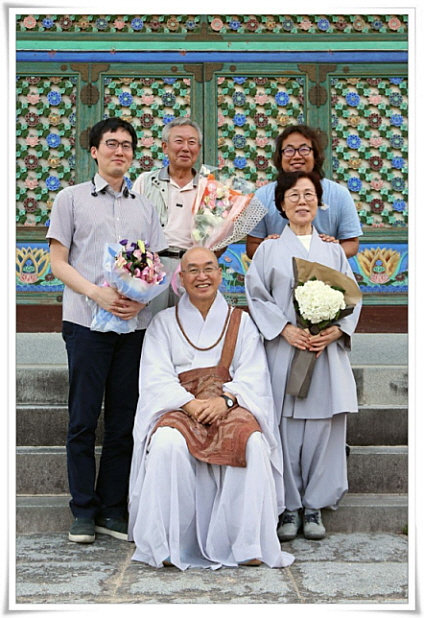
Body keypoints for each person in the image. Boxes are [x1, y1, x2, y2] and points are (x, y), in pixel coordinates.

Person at [128, 247, 294, 570]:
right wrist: (188, 403)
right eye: (193, 270)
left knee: (253, 442)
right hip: (180, 404)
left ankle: (247, 543)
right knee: (165, 443)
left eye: (209, 269)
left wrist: (226, 401)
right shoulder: (163, 323)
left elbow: (253, 374)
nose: (201, 276)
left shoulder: (241, 322)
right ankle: (169, 542)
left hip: (229, 402)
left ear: (220, 274)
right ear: (181, 278)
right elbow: (155, 377)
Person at [47, 118, 167, 544]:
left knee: (123, 420)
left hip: (133, 328)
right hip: (85, 324)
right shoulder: (71, 199)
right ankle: (82, 510)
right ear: (94, 151)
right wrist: (95, 294)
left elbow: (156, 266)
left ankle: (111, 509)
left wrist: (143, 298)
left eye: (128, 145)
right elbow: (58, 261)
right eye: (111, 144)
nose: (120, 151)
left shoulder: (145, 208)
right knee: (82, 419)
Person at [245, 170, 361, 542]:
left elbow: (352, 296)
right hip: (285, 349)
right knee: (284, 429)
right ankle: (289, 507)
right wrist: (284, 329)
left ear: (319, 202)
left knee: (324, 429)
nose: (302, 201)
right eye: (293, 195)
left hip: (323, 352)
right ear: (281, 205)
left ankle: (316, 506)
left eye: (309, 194)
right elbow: (258, 295)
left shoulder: (331, 249)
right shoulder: (268, 248)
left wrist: (336, 331)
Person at [246, 124, 362, 259]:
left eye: (304, 149)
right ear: (280, 157)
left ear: (315, 155)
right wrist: (267, 248)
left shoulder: (339, 194)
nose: (296, 156)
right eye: (289, 150)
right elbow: (252, 246)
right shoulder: (262, 196)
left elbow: (351, 243)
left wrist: (330, 252)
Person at [132, 117, 203, 312]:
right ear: (165, 147)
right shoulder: (146, 182)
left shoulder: (210, 189)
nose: (186, 148)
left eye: (192, 142)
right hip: (154, 266)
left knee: (189, 328)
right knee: (151, 328)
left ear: (199, 147)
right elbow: (132, 227)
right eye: (179, 141)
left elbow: (221, 237)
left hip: (192, 267)